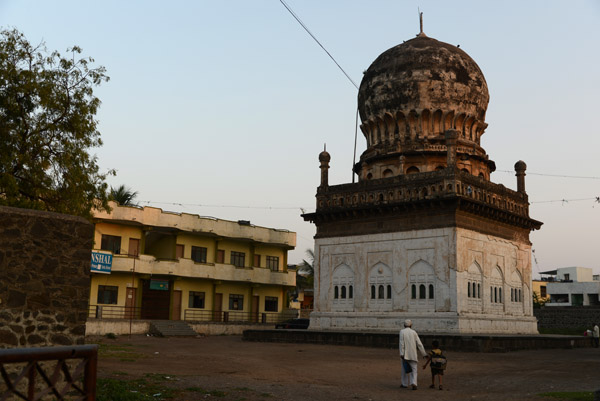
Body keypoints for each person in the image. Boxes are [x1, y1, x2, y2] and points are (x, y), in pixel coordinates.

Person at [399, 319, 427, 390]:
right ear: (411, 325)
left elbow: (401, 343)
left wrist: (401, 353)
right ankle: (414, 383)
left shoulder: (402, 332)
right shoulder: (414, 332)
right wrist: (424, 354)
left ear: (404, 325)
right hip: (413, 354)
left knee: (404, 370)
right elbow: (419, 344)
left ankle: (404, 383)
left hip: (405, 354)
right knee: (414, 370)